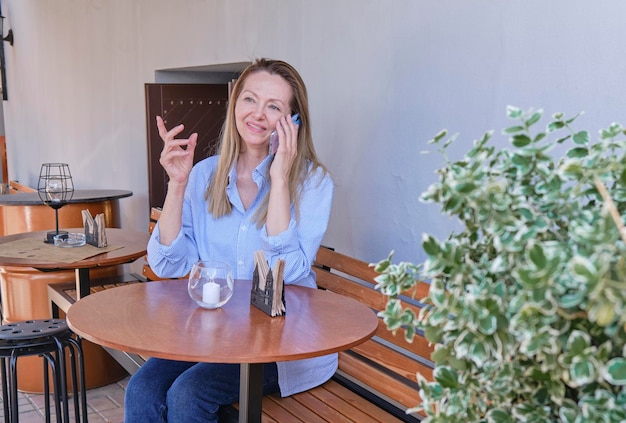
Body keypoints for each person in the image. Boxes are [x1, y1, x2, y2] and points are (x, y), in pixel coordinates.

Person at [124, 58, 336, 422]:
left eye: (274, 107)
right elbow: (168, 263)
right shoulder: (204, 175)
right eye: (249, 99)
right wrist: (176, 185)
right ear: (234, 103)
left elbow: (284, 274)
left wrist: (280, 178)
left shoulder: (312, 183)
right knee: (142, 388)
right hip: (213, 337)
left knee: (189, 395)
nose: (257, 114)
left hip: (283, 346)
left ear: (293, 121)